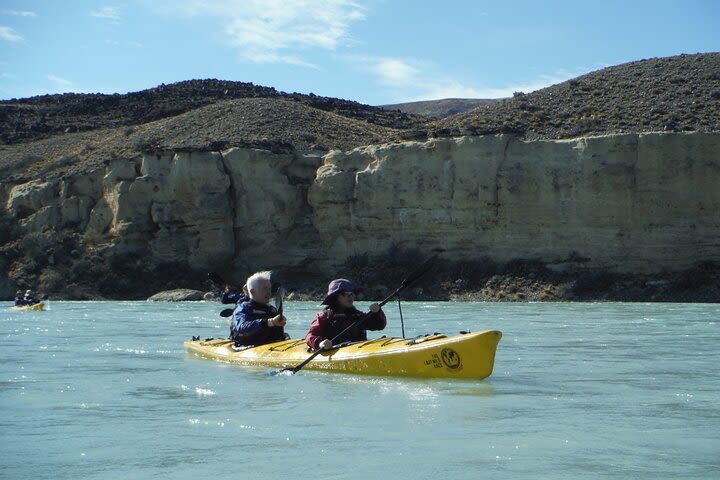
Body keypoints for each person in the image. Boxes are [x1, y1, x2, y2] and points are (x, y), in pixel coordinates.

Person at [306, 279, 386, 351]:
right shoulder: (324, 316)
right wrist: (320, 343)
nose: (350, 297)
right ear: (336, 297)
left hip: (357, 351)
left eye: (352, 293)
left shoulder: (358, 316)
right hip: (333, 352)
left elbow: (379, 325)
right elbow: (311, 335)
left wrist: (377, 312)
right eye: (346, 293)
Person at [231, 271, 287, 347]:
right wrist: (270, 322)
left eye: (269, 288)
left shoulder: (272, 309)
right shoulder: (243, 308)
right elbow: (241, 327)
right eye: (264, 289)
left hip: (273, 345)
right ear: (252, 292)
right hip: (248, 346)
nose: (268, 292)